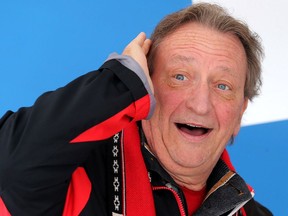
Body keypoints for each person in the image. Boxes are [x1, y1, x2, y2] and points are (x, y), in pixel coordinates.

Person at [0, 3, 273, 216]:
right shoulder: (79, 176)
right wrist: (119, 84)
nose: (200, 104)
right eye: (179, 77)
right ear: (146, 88)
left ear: (239, 113)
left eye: (223, 86)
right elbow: (9, 171)